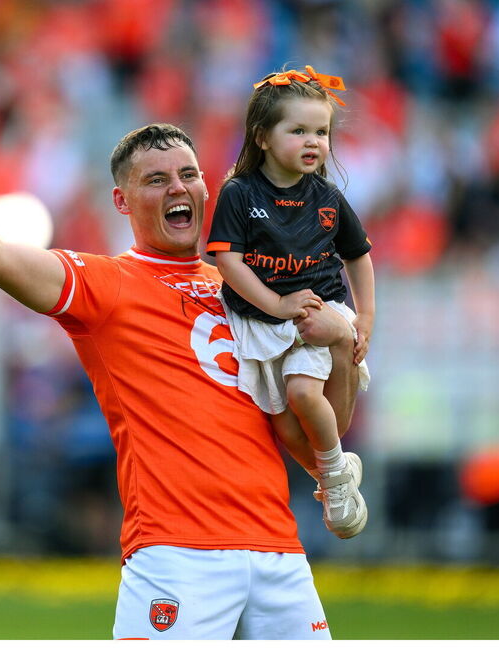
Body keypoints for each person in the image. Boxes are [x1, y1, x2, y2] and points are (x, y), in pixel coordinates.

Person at [0, 99, 355, 640]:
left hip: (279, 551)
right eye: (156, 179)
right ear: (122, 201)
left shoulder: (250, 290)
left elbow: (313, 434)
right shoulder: (106, 285)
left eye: (189, 174)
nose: (178, 187)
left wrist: (341, 348)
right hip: (178, 555)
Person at [205, 66, 375, 540]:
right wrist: (276, 306)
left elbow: (358, 256)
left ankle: (335, 482)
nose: (313, 142)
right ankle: (334, 469)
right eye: (298, 130)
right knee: (284, 429)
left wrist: (363, 317)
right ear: (262, 136)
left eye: (320, 132)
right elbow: (229, 263)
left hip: (317, 310)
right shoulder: (239, 193)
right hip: (261, 319)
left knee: (303, 394)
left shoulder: (327, 197)